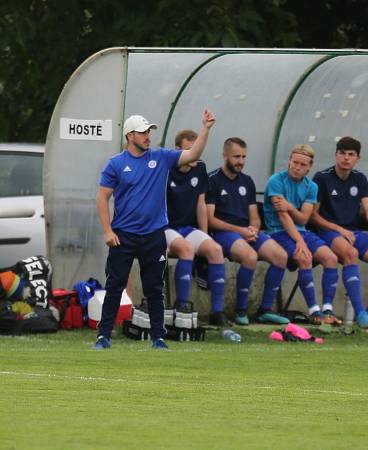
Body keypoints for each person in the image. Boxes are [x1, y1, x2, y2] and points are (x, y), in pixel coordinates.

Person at [94, 110, 216, 350]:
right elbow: (102, 198)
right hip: (123, 235)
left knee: (154, 288)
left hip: (153, 235)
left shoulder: (161, 157)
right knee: (115, 285)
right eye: (143, 132)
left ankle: (158, 338)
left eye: (149, 131)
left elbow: (194, 153)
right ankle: (103, 336)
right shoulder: (116, 164)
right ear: (130, 136)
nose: (148, 136)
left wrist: (206, 129)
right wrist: (108, 232)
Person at [310, 137, 368, 328]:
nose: (346, 158)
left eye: (351, 154)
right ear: (336, 155)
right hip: (328, 232)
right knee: (351, 254)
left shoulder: (359, 179)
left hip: (353, 233)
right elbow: (313, 216)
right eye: (342, 153)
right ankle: (360, 313)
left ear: (357, 158)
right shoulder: (322, 178)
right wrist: (338, 229)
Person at [206, 137, 289, 326]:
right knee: (250, 256)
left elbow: (254, 214)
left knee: (281, 256)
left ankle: (265, 310)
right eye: (236, 157)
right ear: (225, 155)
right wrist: (241, 231)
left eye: (244, 157)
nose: (240, 161)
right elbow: (211, 219)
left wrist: (254, 229)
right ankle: (240, 311)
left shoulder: (247, 181)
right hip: (222, 233)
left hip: (246, 232)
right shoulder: (212, 180)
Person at [263, 144, 344, 325]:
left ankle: (327, 310)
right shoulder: (276, 181)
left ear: (309, 167)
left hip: (301, 231)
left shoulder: (311, 186)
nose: (297, 167)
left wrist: (291, 207)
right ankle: (314, 311)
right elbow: (283, 217)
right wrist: (300, 241)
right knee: (304, 257)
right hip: (278, 232)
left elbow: (304, 219)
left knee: (331, 258)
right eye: (295, 162)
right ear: (289, 161)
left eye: (302, 164)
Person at [165, 129, 226, 327]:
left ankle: (217, 312)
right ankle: (181, 306)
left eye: (196, 150)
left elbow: (201, 203)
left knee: (215, 250)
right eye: (189, 150)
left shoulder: (200, 168)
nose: (194, 155)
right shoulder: (166, 169)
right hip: (166, 228)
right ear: (178, 150)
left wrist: (205, 235)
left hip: (188, 228)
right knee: (186, 249)